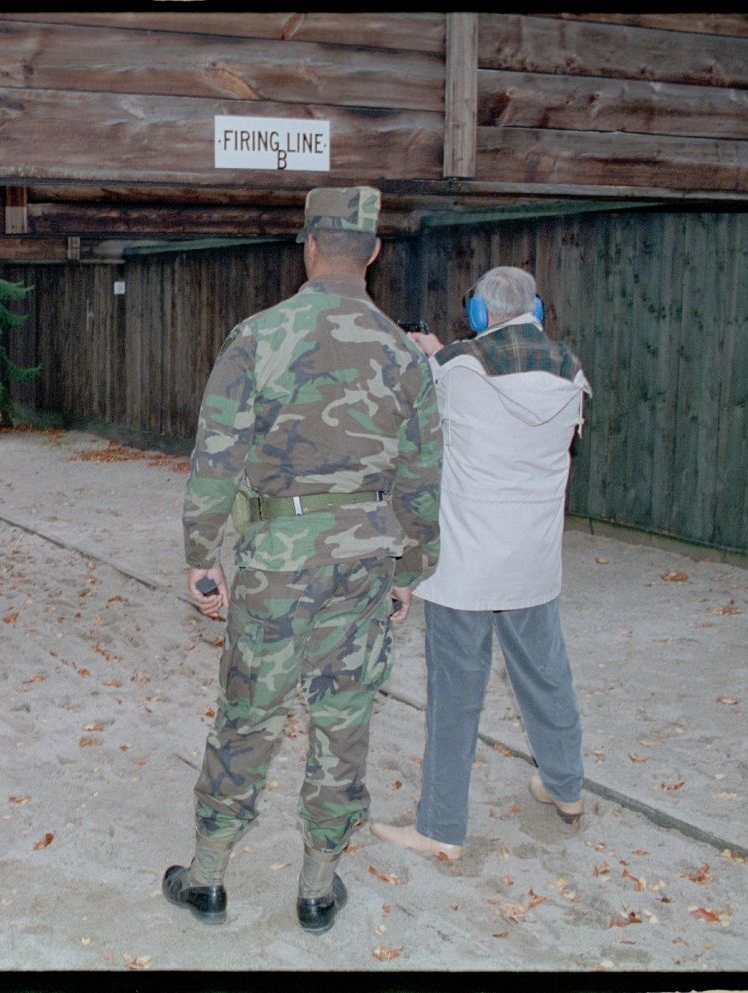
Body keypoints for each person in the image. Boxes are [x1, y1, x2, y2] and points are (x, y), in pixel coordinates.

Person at [163, 186, 441, 934]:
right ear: (374, 253)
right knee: (343, 717)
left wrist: (202, 556)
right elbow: (421, 477)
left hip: (277, 562)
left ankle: (209, 877)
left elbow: (215, 456)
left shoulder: (258, 336)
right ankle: (318, 885)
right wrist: (410, 570)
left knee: (249, 714)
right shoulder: (404, 354)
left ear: (309, 244)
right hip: (362, 561)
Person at [372, 265, 592, 862]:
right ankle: (566, 787)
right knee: (546, 677)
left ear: (476, 315)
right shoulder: (571, 371)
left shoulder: (455, 369)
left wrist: (426, 351)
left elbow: (434, 392)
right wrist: (444, 353)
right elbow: (501, 381)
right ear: (537, 311)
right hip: (533, 562)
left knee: (456, 697)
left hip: (465, 567)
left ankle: (440, 827)